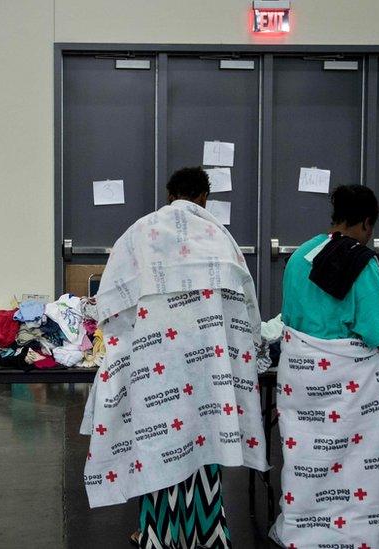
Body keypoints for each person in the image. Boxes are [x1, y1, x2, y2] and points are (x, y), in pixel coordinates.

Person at [81, 167, 268, 548]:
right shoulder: (220, 237)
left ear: (170, 194)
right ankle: (207, 530)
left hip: (156, 368)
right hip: (208, 368)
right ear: (204, 197)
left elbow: (112, 303)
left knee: (158, 447)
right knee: (205, 442)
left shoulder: (139, 232)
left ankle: (158, 533)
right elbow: (247, 309)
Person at [270, 185, 379, 548]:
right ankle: (361, 532)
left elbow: (288, 320)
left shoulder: (301, 255)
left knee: (307, 457)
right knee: (359, 465)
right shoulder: (361, 263)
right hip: (352, 391)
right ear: (368, 223)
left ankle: (304, 527)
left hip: (302, 381)